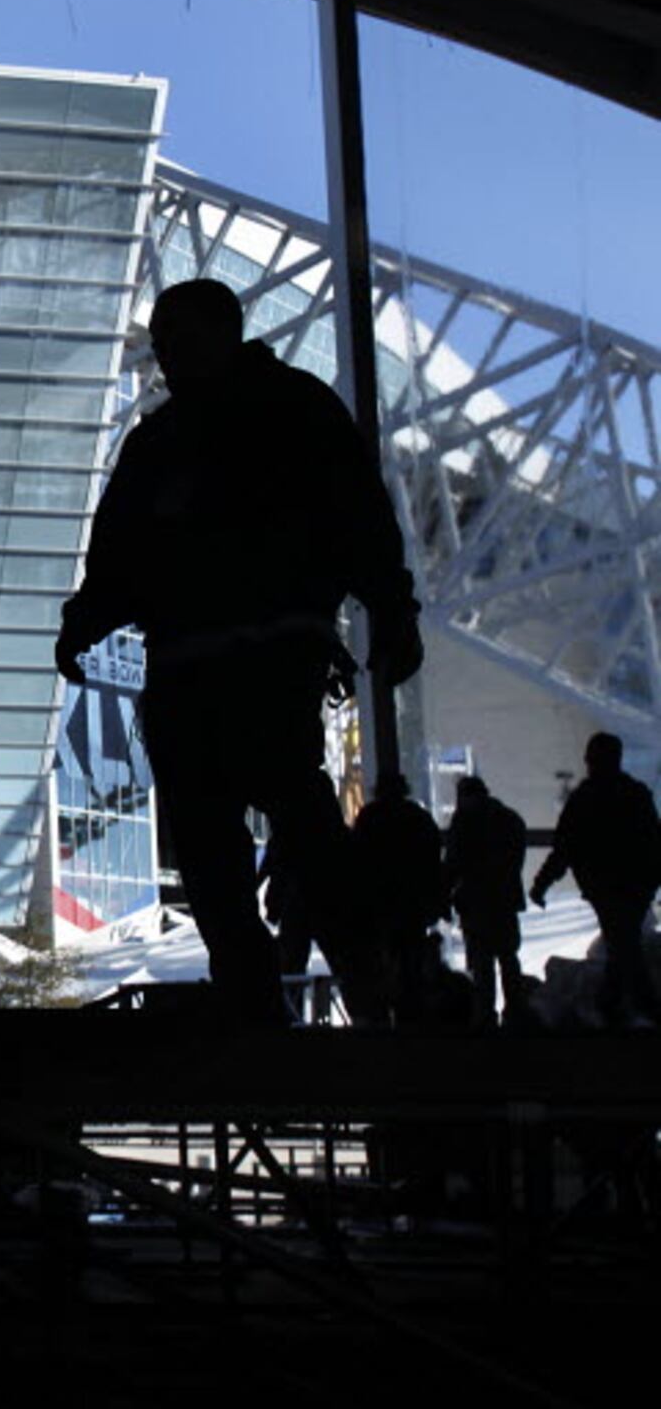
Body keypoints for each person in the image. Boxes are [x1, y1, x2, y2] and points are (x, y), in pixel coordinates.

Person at [55, 278, 422, 1025]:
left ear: (219, 333)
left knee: (231, 823)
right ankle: (338, 979)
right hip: (254, 652)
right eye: (160, 345)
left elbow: (123, 551)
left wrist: (89, 618)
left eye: (172, 341)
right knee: (270, 812)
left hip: (218, 657)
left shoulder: (176, 438)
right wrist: (388, 606)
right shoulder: (290, 412)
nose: (163, 356)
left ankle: (266, 995)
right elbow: (359, 517)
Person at [530, 732, 661, 1029]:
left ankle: (623, 1006)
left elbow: (564, 848)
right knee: (624, 947)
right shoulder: (635, 794)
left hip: (604, 888)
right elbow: (653, 842)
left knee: (622, 946)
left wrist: (542, 884)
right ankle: (629, 1006)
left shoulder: (584, 800)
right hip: (636, 887)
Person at [350, 772, 446, 1028]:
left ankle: (382, 1016)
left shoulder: (370, 818)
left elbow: (357, 860)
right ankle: (411, 1014)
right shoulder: (418, 818)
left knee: (382, 961)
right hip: (412, 904)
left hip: (379, 904)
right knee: (411, 961)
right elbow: (433, 861)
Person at [444, 774, 532, 1027]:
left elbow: (453, 865)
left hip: (475, 904)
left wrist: (444, 896)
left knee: (483, 964)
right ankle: (516, 1011)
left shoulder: (464, 823)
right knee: (508, 959)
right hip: (504, 902)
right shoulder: (509, 819)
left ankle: (485, 1016)